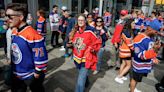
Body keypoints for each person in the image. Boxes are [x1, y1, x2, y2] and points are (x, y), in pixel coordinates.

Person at [6, 3, 48, 92]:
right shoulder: (14, 31)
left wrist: (37, 72)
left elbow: (41, 56)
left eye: (10, 16)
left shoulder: (33, 35)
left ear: (21, 17)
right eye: (6, 16)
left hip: (30, 75)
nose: (7, 19)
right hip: (16, 73)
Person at [68, 15, 101, 92]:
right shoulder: (75, 30)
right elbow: (72, 41)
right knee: (82, 75)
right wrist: (70, 45)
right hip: (77, 57)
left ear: (85, 21)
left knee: (80, 81)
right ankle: (87, 82)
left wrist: (93, 48)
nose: (80, 21)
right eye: (79, 20)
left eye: (82, 20)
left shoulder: (91, 30)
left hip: (86, 59)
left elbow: (98, 41)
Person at [130, 22, 161, 92]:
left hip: (144, 65)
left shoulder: (150, 38)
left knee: (137, 80)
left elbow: (149, 49)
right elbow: (139, 55)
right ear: (150, 29)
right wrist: (154, 50)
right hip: (139, 66)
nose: (158, 33)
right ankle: (131, 90)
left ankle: (133, 88)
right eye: (156, 30)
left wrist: (153, 58)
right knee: (134, 79)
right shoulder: (138, 39)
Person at [114, 19, 134, 84]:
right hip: (126, 51)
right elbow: (130, 44)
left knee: (123, 63)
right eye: (133, 23)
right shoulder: (128, 32)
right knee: (129, 65)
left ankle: (120, 75)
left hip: (122, 50)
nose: (134, 25)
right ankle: (119, 77)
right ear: (129, 24)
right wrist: (135, 48)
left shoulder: (125, 30)